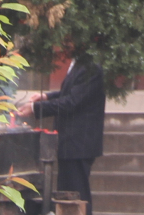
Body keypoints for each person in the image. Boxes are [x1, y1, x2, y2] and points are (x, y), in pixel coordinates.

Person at [34, 51, 106, 210]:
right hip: (69, 142)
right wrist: (47, 97)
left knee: (77, 193)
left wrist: (36, 108)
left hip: (79, 142)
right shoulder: (78, 64)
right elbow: (70, 92)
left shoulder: (90, 67)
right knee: (67, 192)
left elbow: (72, 101)